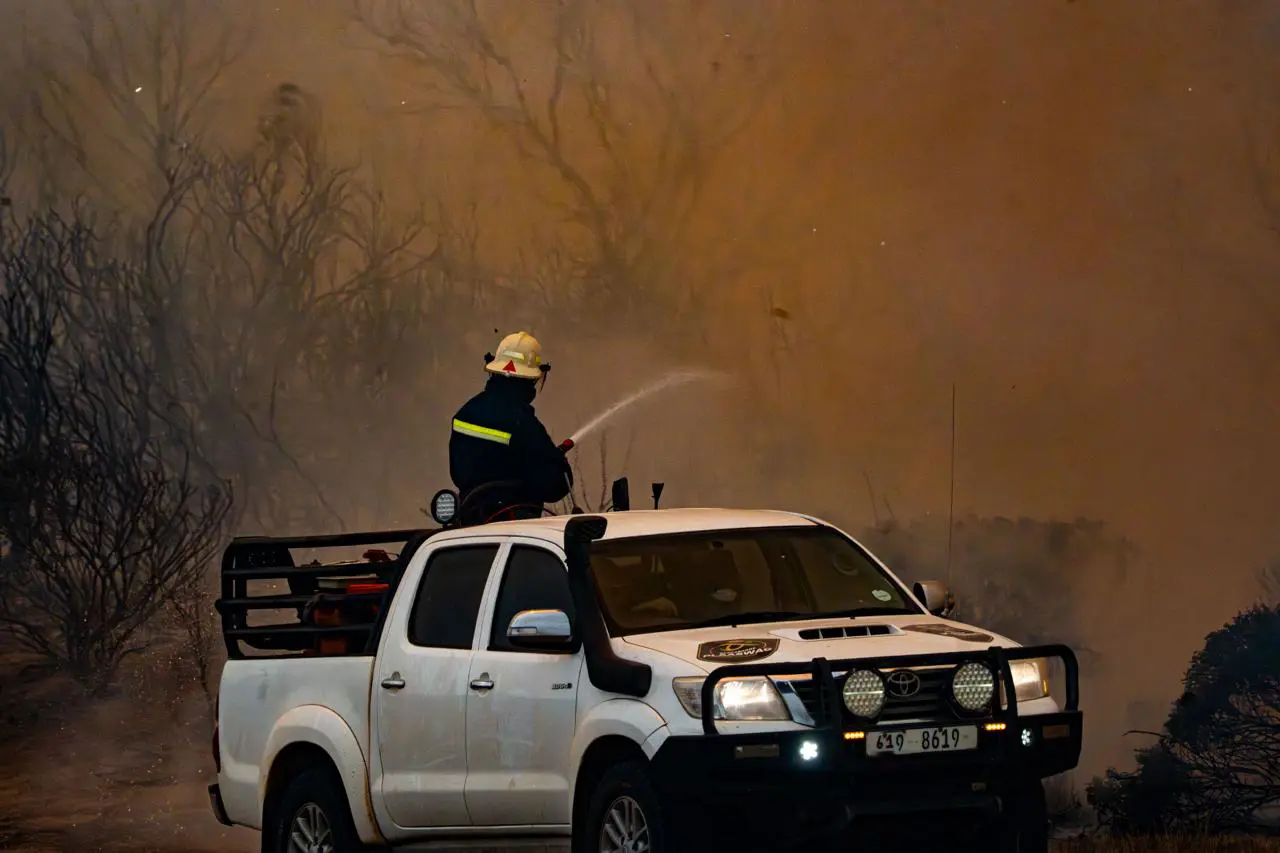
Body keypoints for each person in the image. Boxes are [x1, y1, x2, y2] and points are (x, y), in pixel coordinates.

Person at [449, 331, 574, 524]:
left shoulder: (465, 413)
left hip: (468, 525)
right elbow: (555, 485)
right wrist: (557, 463)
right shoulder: (522, 424)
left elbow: (460, 472)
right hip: (513, 530)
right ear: (532, 378)